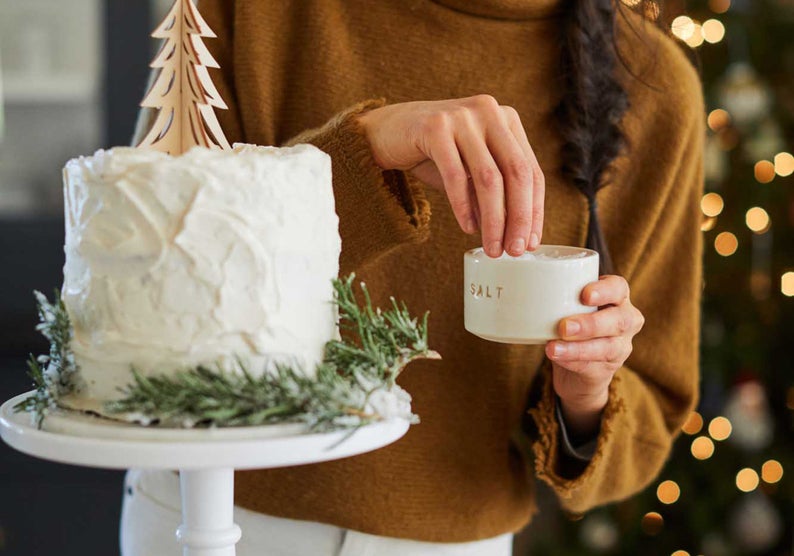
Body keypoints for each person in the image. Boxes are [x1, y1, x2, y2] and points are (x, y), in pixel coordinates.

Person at [122, 0, 705, 554]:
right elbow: (137, 273)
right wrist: (359, 157)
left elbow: (652, 414)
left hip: (454, 542)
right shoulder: (252, 14)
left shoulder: (654, 88)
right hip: (208, 513)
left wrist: (585, 395)